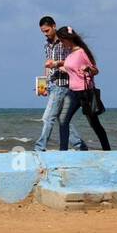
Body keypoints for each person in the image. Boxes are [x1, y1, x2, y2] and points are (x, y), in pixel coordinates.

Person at [56, 27, 111, 151]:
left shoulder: (82, 52)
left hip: (85, 92)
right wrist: (58, 66)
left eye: (61, 40)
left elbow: (95, 70)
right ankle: (62, 152)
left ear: (67, 38)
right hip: (72, 92)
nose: (61, 43)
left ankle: (107, 150)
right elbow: (72, 69)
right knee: (63, 119)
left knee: (94, 124)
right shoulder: (70, 54)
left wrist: (88, 69)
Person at [35, 16, 86, 152]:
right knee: (61, 118)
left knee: (48, 117)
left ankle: (39, 148)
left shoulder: (64, 42)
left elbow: (73, 62)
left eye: (47, 31)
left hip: (63, 83)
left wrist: (57, 64)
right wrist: (44, 83)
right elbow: (47, 65)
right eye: (43, 32)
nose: (45, 34)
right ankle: (80, 146)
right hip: (52, 83)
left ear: (54, 26)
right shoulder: (47, 45)